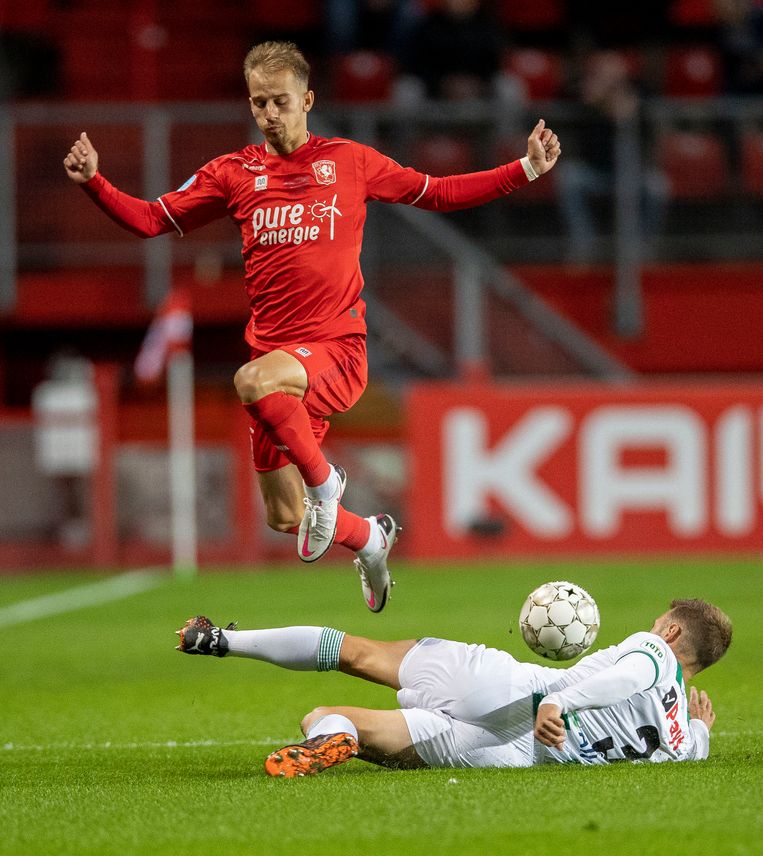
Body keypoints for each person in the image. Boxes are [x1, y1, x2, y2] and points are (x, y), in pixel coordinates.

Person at [63, 40, 561, 612]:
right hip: (281, 361)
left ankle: (328, 485)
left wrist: (525, 169)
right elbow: (152, 219)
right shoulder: (233, 173)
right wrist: (95, 182)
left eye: (280, 101)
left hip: (335, 351)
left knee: (251, 383)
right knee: (284, 517)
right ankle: (371, 538)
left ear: (308, 99)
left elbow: (437, 192)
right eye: (258, 104)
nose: (269, 115)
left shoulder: (350, 161)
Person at [175, 597, 731, 777]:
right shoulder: (680, 737)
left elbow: (629, 675)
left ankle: (223, 641)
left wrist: (562, 698)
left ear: (674, 630)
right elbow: (690, 746)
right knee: (328, 716)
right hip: (511, 751)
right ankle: (334, 737)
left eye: (662, 623)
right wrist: (702, 730)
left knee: (359, 654)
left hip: (513, 690)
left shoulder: (655, 653)